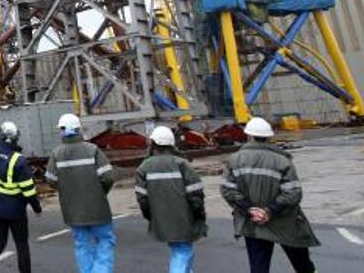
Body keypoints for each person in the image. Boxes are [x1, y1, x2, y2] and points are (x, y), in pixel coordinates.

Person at [220, 117, 319, 273]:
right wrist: (269, 211)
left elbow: (228, 190)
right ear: (269, 137)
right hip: (285, 222)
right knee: (303, 265)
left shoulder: (235, 160)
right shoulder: (282, 160)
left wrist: (250, 210)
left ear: (249, 136)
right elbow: (293, 193)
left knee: (259, 268)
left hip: (253, 223)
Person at [46, 113, 115, 273]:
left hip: (73, 211)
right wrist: (99, 193)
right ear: (79, 130)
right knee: (105, 240)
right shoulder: (92, 150)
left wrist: (68, 191)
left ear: (63, 131)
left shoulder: (56, 154)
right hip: (98, 209)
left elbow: (51, 180)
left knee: (82, 244)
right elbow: (108, 177)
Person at [135, 126, 207, 273]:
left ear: (153, 143)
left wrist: (152, 217)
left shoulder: (144, 167)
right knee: (182, 252)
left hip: (161, 219)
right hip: (184, 218)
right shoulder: (182, 164)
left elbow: (142, 199)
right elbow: (196, 196)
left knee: (181, 251)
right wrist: (199, 215)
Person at [0, 121, 42, 272]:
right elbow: (29, 191)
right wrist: (37, 208)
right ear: (15, 139)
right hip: (15, 212)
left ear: (0, 135)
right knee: (21, 245)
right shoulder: (18, 161)